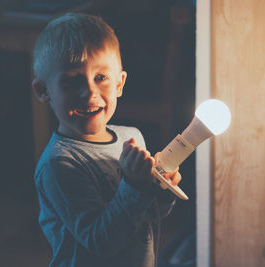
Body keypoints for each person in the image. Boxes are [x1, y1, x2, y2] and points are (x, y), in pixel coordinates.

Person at [31, 12, 182, 267]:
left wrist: (161, 189)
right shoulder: (59, 165)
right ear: (44, 91)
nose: (90, 91)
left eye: (101, 78)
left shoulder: (131, 138)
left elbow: (146, 216)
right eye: (71, 81)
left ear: (119, 83)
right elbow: (101, 242)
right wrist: (134, 185)